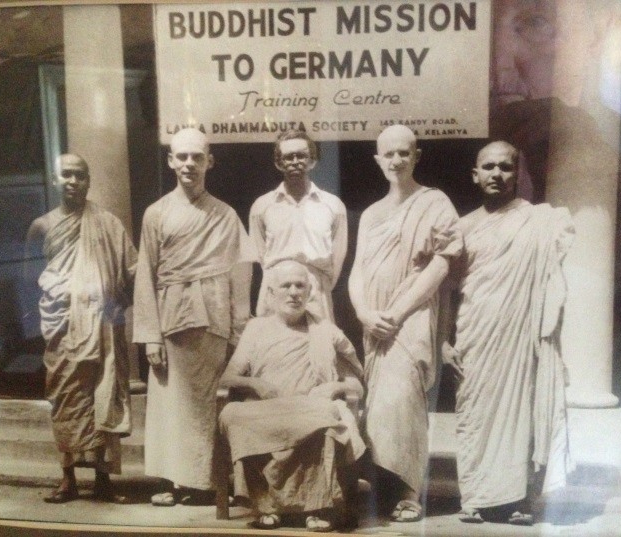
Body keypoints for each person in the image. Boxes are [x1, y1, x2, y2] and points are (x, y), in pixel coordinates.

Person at [491, 0, 621, 417]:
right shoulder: (387, 171)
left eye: (536, 23)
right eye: (468, 32)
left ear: (600, 31)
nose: (498, 66)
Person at [444, 141, 575, 525]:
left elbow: (553, 282)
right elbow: (446, 292)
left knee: (520, 411)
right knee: (474, 414)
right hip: (475, 336)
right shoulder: (463, 227)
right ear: (475, 174)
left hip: (520, 337)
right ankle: (476, 497)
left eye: (505, 167)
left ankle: (518, 498)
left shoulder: (541, 221)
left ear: (518, 174)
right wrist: (443, 341)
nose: (496, 174)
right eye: (488, 167)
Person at [348, 125, 462, 522]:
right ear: (378, 160)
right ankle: (387, 485)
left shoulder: (435, 202)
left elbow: (443, 262)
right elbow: (356, 272)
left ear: (417, 156)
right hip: (375, 322)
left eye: (404, 153)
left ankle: (411, 492)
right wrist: (364, 313)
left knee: (403, 399)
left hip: (410, 317)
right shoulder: (372, 214)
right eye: (388, 154)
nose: (396, 160)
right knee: (378, 407)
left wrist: (396, 315)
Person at [133, 128, 253, 506]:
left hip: (214, 320)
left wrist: (240, 328)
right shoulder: (156, 213)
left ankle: (208, 482)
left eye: (196, 157)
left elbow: (241, 272)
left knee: (208, 403)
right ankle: (173, 481)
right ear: (170, 160)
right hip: (170, 322)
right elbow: (145, 275)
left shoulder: (226, 215)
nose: (189, 164)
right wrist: (150, 335)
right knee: (171, 404)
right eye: (181, 156)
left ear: (209, 162)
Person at [219, 260, 365, 532]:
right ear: (271, 293)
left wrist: (336, 387)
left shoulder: (326, 330)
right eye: (286, 285)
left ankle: (314, 508)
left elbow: (357, 382)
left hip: (309, 410)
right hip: (268, 412)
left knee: (327, 415)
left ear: (310, 292)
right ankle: (266, 505)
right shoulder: (256, 329)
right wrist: (256, 384)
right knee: (231, 414)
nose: (294, 292)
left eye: (300, 285)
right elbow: (227, 379)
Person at [25, 153, 137, 503]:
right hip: (60, 327)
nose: (73, 182)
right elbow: (29, 279)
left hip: (103, 326)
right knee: (66, 399)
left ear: (89, 181)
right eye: (67, 175)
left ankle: (104, 481)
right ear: (56, 180)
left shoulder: (108, 223)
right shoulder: (42, 226)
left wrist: (116, 303)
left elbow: (131, 271)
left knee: (104, 394)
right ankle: (67, 479)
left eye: (80, 176)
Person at [249, 130, 347, 320]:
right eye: (288, 157)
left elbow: (337, 258)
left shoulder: (333, 205)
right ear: (279, 163)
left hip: (317, 291)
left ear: (312, 160)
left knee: (320, 347)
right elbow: (261, 256)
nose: (295, 161)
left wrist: (317, 283)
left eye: (301, 155)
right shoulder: (262, 206)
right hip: (275, 290)